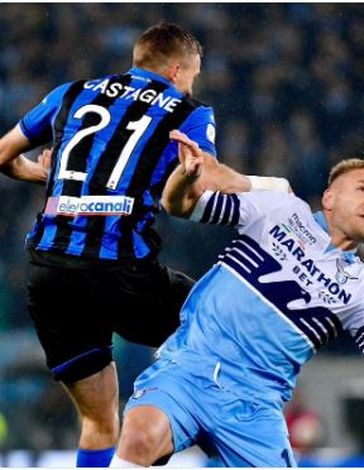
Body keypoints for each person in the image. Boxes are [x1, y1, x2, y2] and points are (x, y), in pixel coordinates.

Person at [0, 22, 287, 467]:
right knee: (223, 333)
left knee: (98, 422)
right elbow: (199, 181)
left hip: (49, 271)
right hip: (118, 272)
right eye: (192, 75)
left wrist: (44, 174)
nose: (193, 84)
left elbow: (3, 154)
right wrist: (272, 187)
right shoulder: (188, 110)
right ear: (176, 70)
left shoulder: (71, 93)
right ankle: (172, 441)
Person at [108, 133, 364, 467]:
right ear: (329, 198)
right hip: (188, 369)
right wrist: (187, 176)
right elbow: (179, 204)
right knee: (139, 437)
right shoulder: (279, 210)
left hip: (255, 408)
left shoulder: (363, 291)